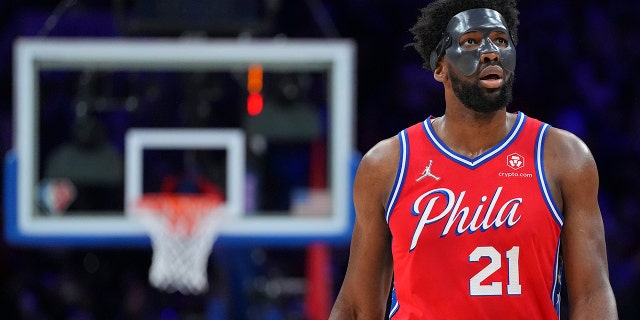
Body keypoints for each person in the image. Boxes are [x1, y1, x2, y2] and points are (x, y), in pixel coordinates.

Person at [329, 0, 618, 319]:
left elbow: (592, 294)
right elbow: (357, 307)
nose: (491, 51)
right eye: (471, 41)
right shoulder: (387, 165)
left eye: (501, 40)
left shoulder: (563, 157)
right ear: (439, 66)